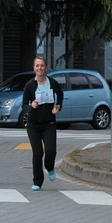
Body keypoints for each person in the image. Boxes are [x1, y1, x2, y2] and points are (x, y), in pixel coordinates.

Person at [22, 56, 63, 191]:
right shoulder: (30, 85)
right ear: (34, 68)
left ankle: (50, 167)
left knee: (51, 150)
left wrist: (58, 106)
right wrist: (31, 106)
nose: (40, 68)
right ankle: (37, 181)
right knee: (37, 152)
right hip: (33, 124)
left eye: (42, 65)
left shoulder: (52, 83)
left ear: (46, 67)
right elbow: (24, 105)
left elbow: (60, 95)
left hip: (49, 122)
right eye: (37, 66)